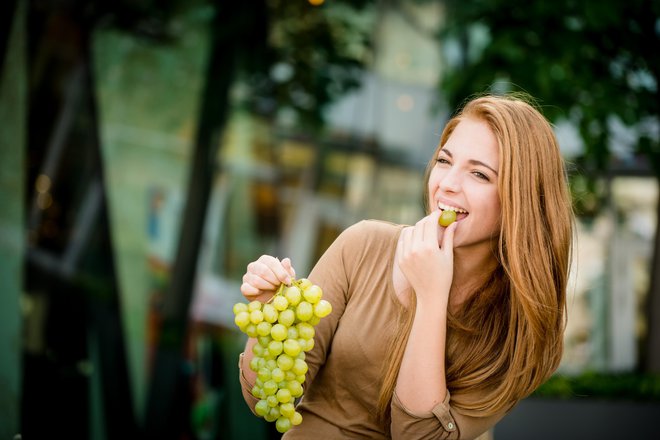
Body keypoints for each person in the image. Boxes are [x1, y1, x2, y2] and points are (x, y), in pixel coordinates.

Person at [238, 93, 575, 439]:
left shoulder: (520, 328)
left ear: (520, 200)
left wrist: (431, 297)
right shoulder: (363, 245)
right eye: (445, 161)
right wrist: (268, 314)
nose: (447, 184)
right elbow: (266, 397)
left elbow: (418, 436)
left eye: (479, 174)